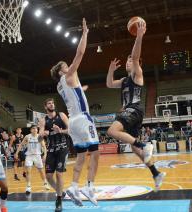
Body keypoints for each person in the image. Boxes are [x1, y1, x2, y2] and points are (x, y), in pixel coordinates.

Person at [105, 20, 165, 191]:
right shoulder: (123, 80)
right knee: (133, 148)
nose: (128, 62)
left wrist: (139, 37)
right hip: (133, 113)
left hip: (134, 109)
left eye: (130, 60)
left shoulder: (137, 75)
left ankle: (144, 145)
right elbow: (109, 84)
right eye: (127, 60)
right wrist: (110, 70)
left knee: (112, 131)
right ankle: (156, 173)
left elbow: (136, 56)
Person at [50, 18, 100, 207]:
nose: (69, 67)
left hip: (73, 122)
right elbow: (79, 53)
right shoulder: (69, 75)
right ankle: (89, 186)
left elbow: (74, 93)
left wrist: (82, 88)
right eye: (66, 66)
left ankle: (73, 186)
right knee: (95, 153)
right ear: (63, 71)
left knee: (81, 155)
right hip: (83, 117)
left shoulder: (60, 86)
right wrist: (85, 33)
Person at [39, 98, 70, 211]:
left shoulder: (61, 115)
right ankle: (61, 191)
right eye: (49, 103)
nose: (51, 105)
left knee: (59, 174)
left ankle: (59, 199)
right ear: (45, 106)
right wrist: (41, 135)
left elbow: (71, 130)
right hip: (51, 149)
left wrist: (60, 131)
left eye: (52, 103)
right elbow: (39, 138)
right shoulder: (43, 120)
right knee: (48, 177)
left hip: (63, 147)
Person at [15, 125, 50, 194]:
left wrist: (45, 154)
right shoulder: (27, 136)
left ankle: (45, 183)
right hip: (29, 156)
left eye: (36, 128)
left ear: (37, 130)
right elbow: (21, 145)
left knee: (41, 171)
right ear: (31, 130)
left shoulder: (39, 137)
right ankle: (28, 186)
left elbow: (43, 146)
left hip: (37, 155)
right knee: (28, 171)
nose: (35, 130)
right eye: (33, 128)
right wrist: (16, 153)